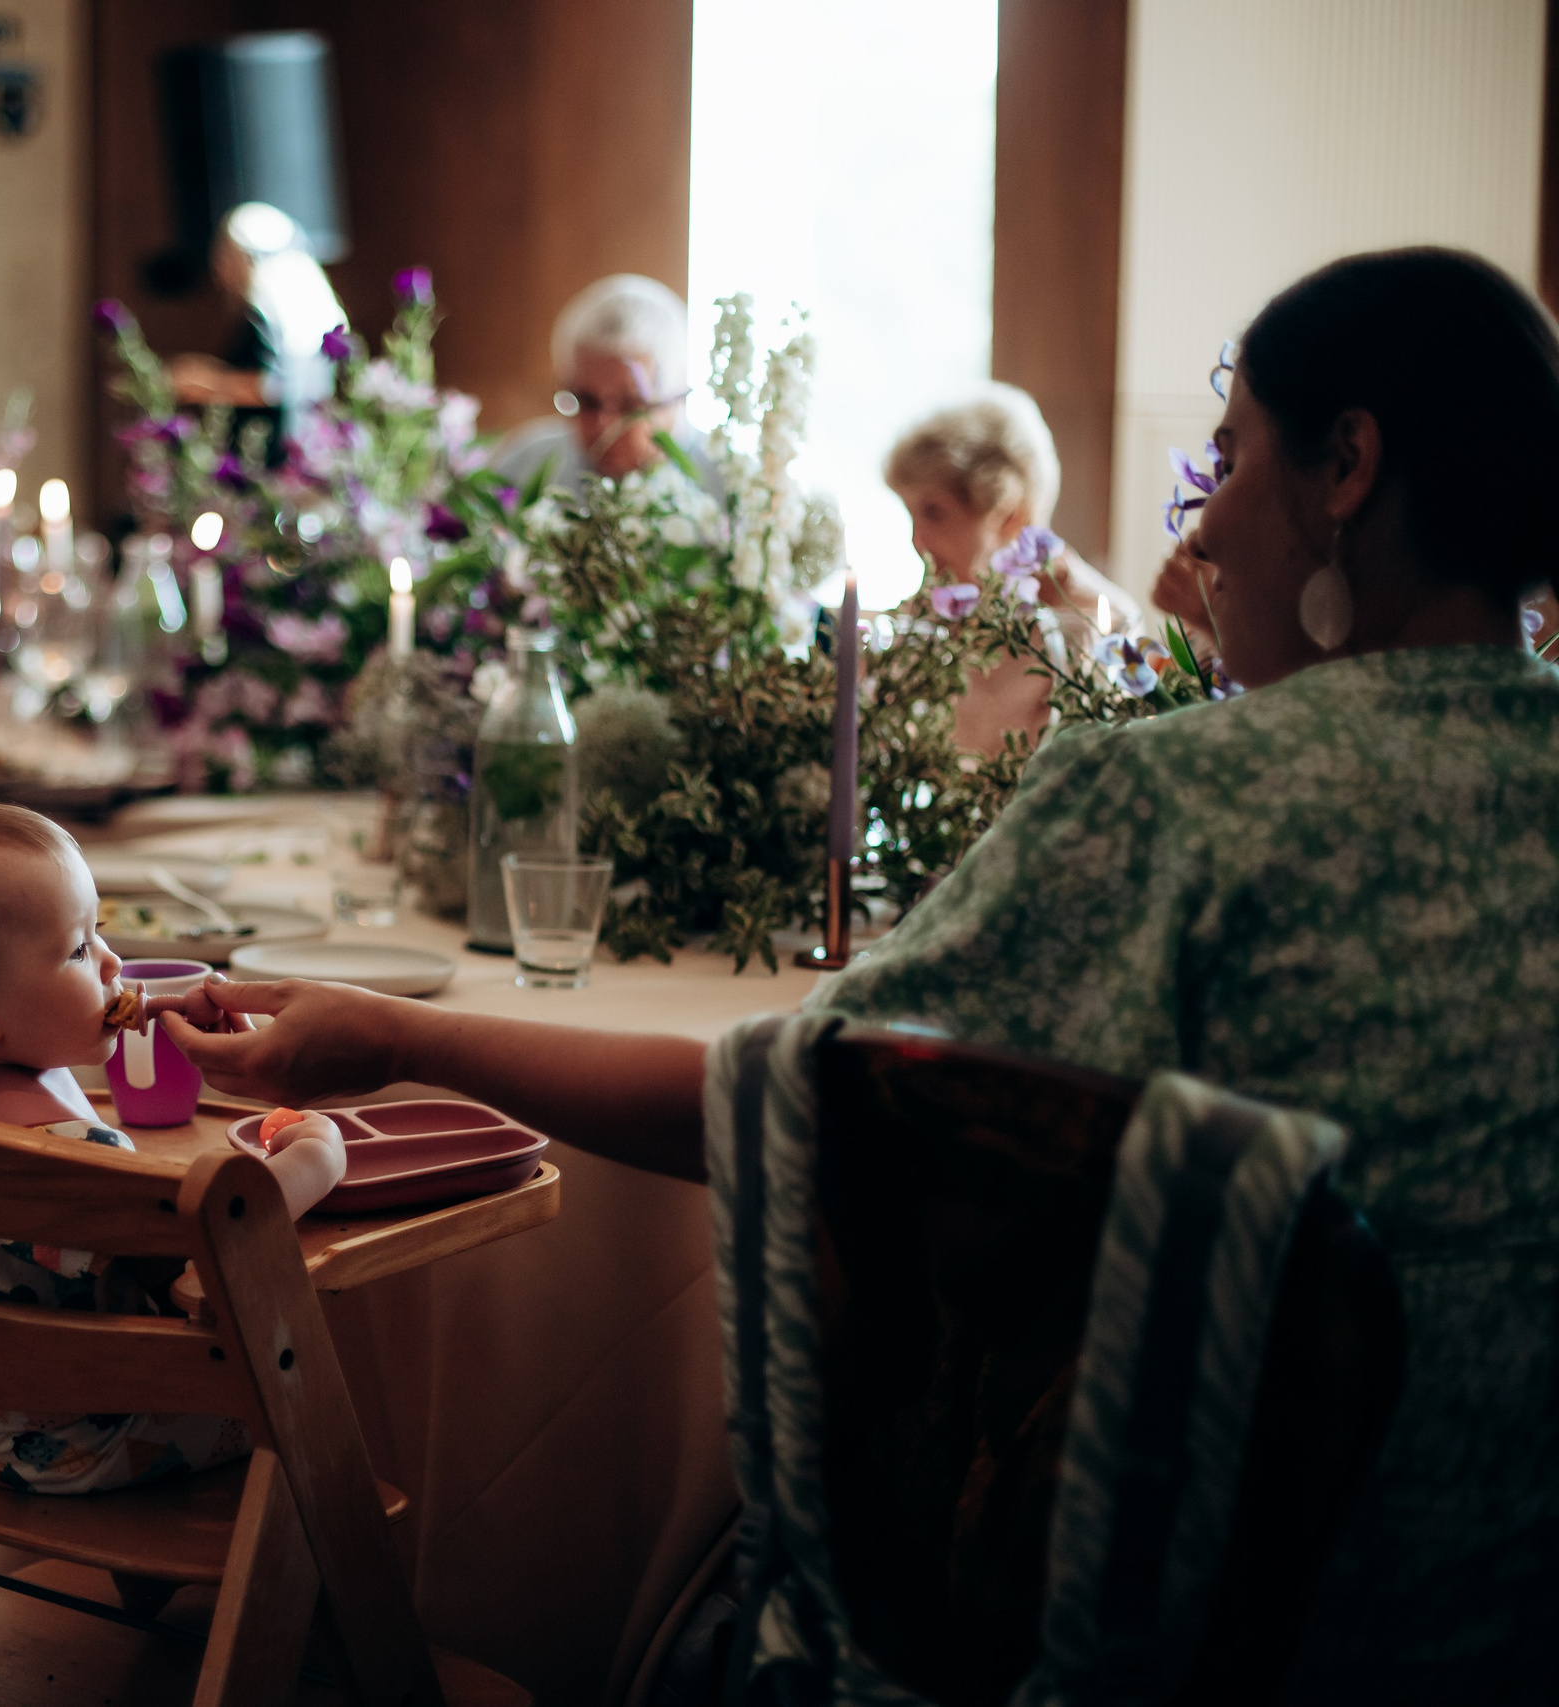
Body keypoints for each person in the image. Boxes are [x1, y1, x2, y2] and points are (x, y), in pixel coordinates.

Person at [149, 248, 1559, 1697]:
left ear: (1348, 466)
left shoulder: (1181, 800)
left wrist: (396, 1035)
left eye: (1230, 457)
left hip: (1222, 1632)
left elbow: (787, 1099)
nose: (1199, 526)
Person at [0, 796, 347, 1494]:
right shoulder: (67, 1153)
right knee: (306, 1391)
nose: (112, 962)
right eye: (79, 948)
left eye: (97, 930)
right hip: (88, 1440)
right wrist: (315, 1153)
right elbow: (213, 1240)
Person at [884, 386, 1147, 750]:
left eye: (934, 513)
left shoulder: (1101, 622)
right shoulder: (919, 620)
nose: (917, 541)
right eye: (910, 514)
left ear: (1010, 513)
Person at [490, 275, 713, 492]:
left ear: (678, 396)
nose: (603, 425)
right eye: (588, 401)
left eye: (629, 405)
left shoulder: (728, 487)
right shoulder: (524, 465)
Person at [163, 202, 345, 452]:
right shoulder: (290, 311)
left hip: (274, 454)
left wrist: (205, 382)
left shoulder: (270, 314)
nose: (218, 268)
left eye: (226, 256)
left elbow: (276, 386)